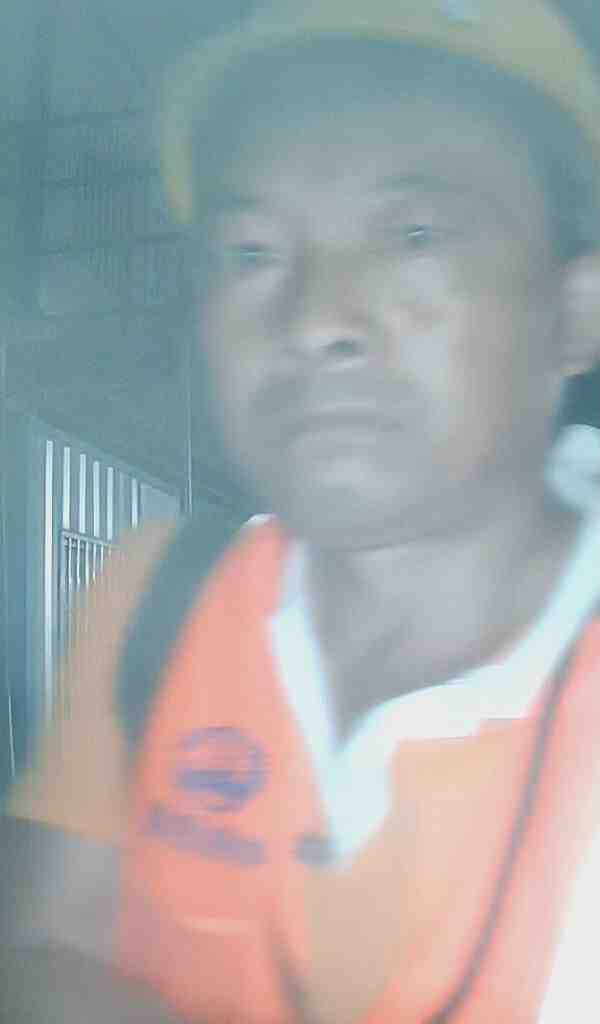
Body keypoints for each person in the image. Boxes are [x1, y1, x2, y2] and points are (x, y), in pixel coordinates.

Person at [3, 0, 600, 1021]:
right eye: (251, 252)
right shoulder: (159, 600)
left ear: (575, 313)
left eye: (415, 234)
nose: (317, 319)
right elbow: (41, 944)